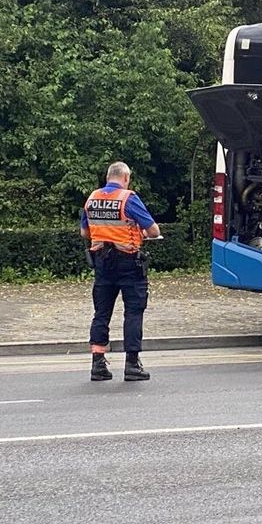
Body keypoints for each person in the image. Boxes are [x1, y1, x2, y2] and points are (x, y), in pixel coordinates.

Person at [82, 161, 161, 382]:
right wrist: (140, 233)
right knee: (133, 312)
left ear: (109, 177)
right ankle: (132, 364)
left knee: (101, 313)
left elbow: (83, 231)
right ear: (125, 178)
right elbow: (154, 230)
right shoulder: (128, 198)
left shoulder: (92, 198)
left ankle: (98, 365)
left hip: (102, 263)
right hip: (128, 263)